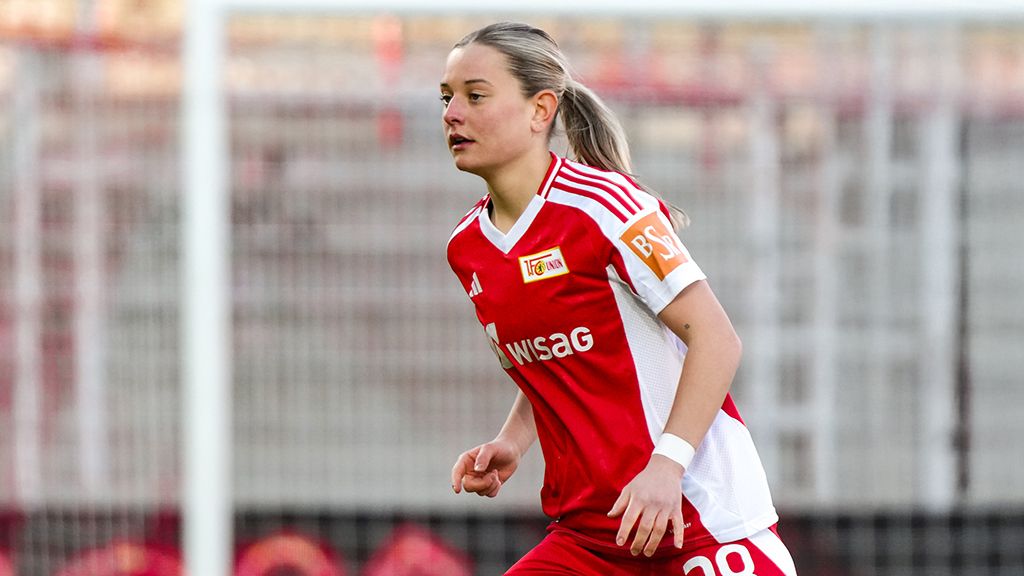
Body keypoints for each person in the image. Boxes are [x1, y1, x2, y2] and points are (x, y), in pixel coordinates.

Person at [441, 22, 798, 575]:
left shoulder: (607, 207)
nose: (452, 113)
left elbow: (717, 339)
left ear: (541, 110)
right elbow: (559, 355)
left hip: (701, 525)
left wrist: (667, 466)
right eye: (447, 98)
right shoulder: (468, 248)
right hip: (589, 539)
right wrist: (513, 439)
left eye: (475, 96)